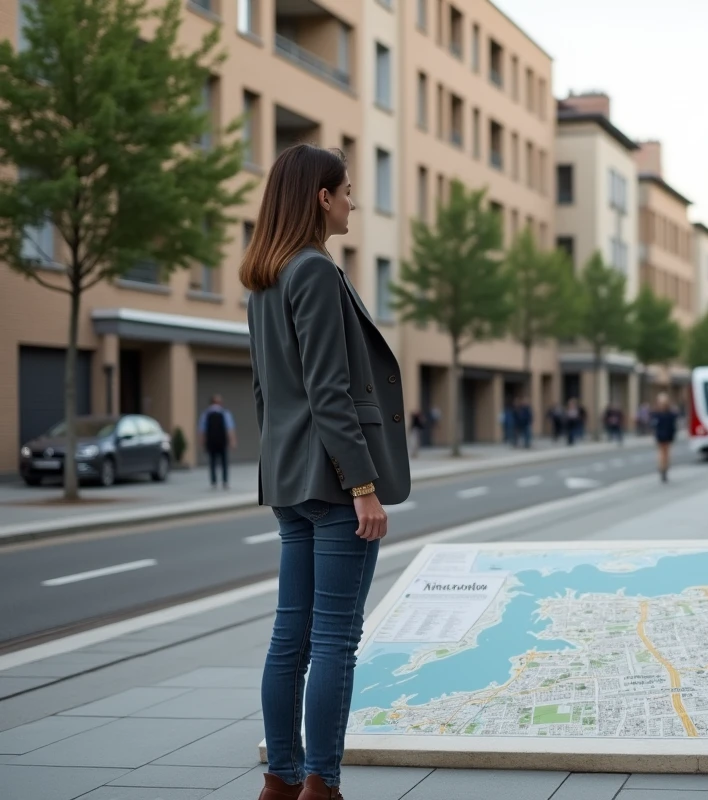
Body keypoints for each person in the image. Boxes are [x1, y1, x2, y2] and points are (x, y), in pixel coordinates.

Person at [242, 144, 410, 800]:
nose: (354, 202)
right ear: (321, 198)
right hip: (334, 483)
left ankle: (280, 781)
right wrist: (362, 486)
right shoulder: (312, 270)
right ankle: (322, 786)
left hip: (290, 478)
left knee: (292, 636)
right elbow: (329, 391)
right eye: (346, 191)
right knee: (335, 639)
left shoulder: (265, 276)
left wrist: (281, 464)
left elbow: (266, 392)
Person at [198, 395, 237, 489]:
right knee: (224, 462)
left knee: (212, 462)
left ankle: (213, 482)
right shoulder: (224, 413)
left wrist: (202, 442)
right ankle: (225, 481)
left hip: (211, 442)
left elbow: (202, 430)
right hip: (222, 441)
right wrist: (232, 441)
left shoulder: (206, 414)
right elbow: (229, 429)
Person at [652, 392, 678, 482]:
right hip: (664, 435)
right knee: (664, 453)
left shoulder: (658, 413)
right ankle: (663, 468)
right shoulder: (667, 413)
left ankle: (663, 468)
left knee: (663, 452)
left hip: (664, 435)